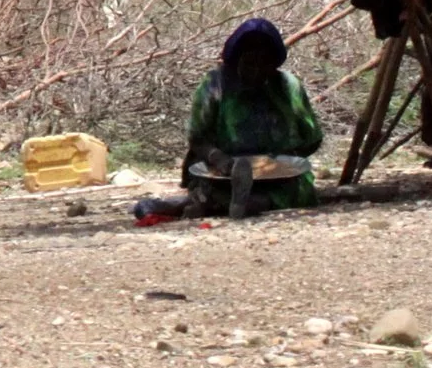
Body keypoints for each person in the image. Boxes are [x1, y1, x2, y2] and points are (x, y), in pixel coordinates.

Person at [133, 18, 325, 222]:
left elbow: (312, 138)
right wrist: (222, 161)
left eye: (264, 63)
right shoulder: (215, 84)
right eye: (250, 62)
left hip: (279, 178)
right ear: (236, 59)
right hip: (221, 173)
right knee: (213, 188)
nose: (257, 70)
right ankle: (219, 201)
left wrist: (282, 160)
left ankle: (232, 204)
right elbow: (197, 139)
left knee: (298, 192)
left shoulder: (288, 86)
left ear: (274, 63)